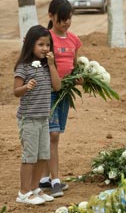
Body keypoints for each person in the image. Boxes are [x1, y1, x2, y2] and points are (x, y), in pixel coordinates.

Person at [39, 0, 83, 198]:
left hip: (64, 94)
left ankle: (44, 179)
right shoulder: (44, 38)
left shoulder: (74, 39)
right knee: (53, 135)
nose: (66, 22)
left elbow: (75, 66)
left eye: (69, 18)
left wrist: (81, 78)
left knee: (54, 136)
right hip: (47, 92)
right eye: (62, 18)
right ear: (51, 16)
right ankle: (55, 181)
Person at [14, 25, 61, 205]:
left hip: (43, 118)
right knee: (30, 156)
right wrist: (26, 87)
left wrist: (51, 65)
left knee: (43, 155)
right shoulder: (23, 67)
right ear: (31, 45)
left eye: (47, 45)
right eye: (40, 44)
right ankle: (23, 192)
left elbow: (57, 87)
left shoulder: (46, 67)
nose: (45, 48)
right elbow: (16, 91)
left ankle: (34, 188)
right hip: (29, 118)